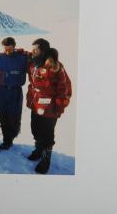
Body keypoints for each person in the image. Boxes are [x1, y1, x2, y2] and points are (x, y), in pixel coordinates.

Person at [26, 40, 72, 174]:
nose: (33, 51)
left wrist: (59, 106)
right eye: (32, 48)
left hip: (49, 108)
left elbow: (64, 88)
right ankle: (38, 150)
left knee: (47, 135)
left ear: (44, 50)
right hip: (36, 104)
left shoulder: (55, 66)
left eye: (36, 49)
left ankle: (45, 160)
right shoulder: (33, 62)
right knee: (35, 129)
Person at [0, 37, 28, 152]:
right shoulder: (0, 57)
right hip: (1, 90)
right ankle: (6, 140)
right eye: (5, 49)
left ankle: (11, 136)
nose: (7, 51)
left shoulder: (22, 58)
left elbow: (37, 59)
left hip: (15, 91)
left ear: (14, 46)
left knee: (13, 117)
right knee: (3, 116)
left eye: (10, 49)